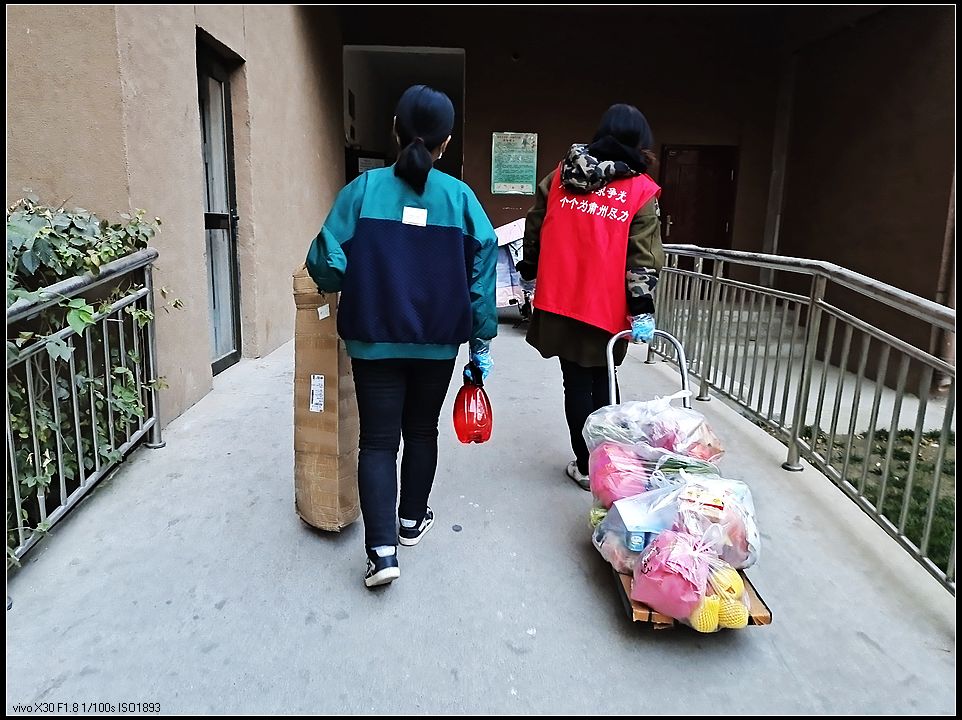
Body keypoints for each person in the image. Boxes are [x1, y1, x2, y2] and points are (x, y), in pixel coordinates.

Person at [306, 85, 498, 588]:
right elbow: (483, 269)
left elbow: (325, 263)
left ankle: (382, 553)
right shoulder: (460, 198)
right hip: (438, 344)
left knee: (377, 442)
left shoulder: (362, 191)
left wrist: (357, 272)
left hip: (373, 341)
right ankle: (412, 521)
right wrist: (480, 340)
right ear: (446, 143)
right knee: (421, 431)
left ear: (394, 130)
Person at [515, 103, 665, 491]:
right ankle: (607, 464)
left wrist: (529, 267)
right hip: (607, 307)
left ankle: (587, 466)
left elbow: (534, 226)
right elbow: (643, 257)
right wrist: (642, 307)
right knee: (604, 380)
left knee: (577, 383)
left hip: (561, 300)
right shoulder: (640, 190)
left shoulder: (559, 177)